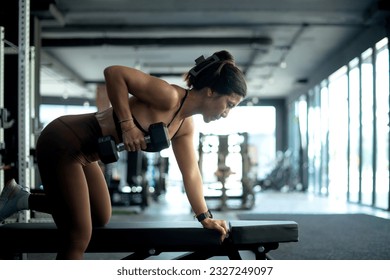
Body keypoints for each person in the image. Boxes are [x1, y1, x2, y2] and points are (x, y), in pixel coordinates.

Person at [0, 50, 247, 259]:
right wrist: (127, 125)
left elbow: (191, 173)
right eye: (229, 104)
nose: (227, 113)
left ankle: (21, 198)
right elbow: (114, 73)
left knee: (100, 215)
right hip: (64, 140)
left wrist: (205, 218)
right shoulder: (168, 95)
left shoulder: (184, 126)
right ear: (211, 92)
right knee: (78, 236)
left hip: (87, 155)